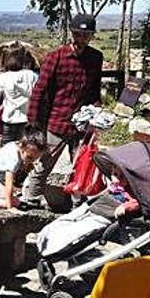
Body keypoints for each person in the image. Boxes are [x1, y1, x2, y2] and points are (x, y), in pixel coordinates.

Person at [24, 14, 103, 208]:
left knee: (83, 165)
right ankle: (31, 199)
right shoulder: (56, 57)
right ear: (72, 33)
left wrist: (96, 110)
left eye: (86, 34)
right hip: (56, 122)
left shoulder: (95, 58)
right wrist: (33, 125)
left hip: (82, 125)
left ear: (91, 36)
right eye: (78, 33)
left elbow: (95, 88)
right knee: (44, 163)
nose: (81, 38)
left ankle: (79, 204)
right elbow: (39, 91)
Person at [0, 130, 47, 209]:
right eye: (29, 157)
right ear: (22, 146)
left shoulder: (14, 145)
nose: (31, 161)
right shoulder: (14, 159)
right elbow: (9, 184)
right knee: (16, 202)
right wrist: (10, 207)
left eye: (35, 159)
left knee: (14, 197)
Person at [0, 49, 38, 145]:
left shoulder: (3, 77)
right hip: (27, 119)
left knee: (6, 148)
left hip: (9, 119)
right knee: (25, 148)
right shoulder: (32, 75)